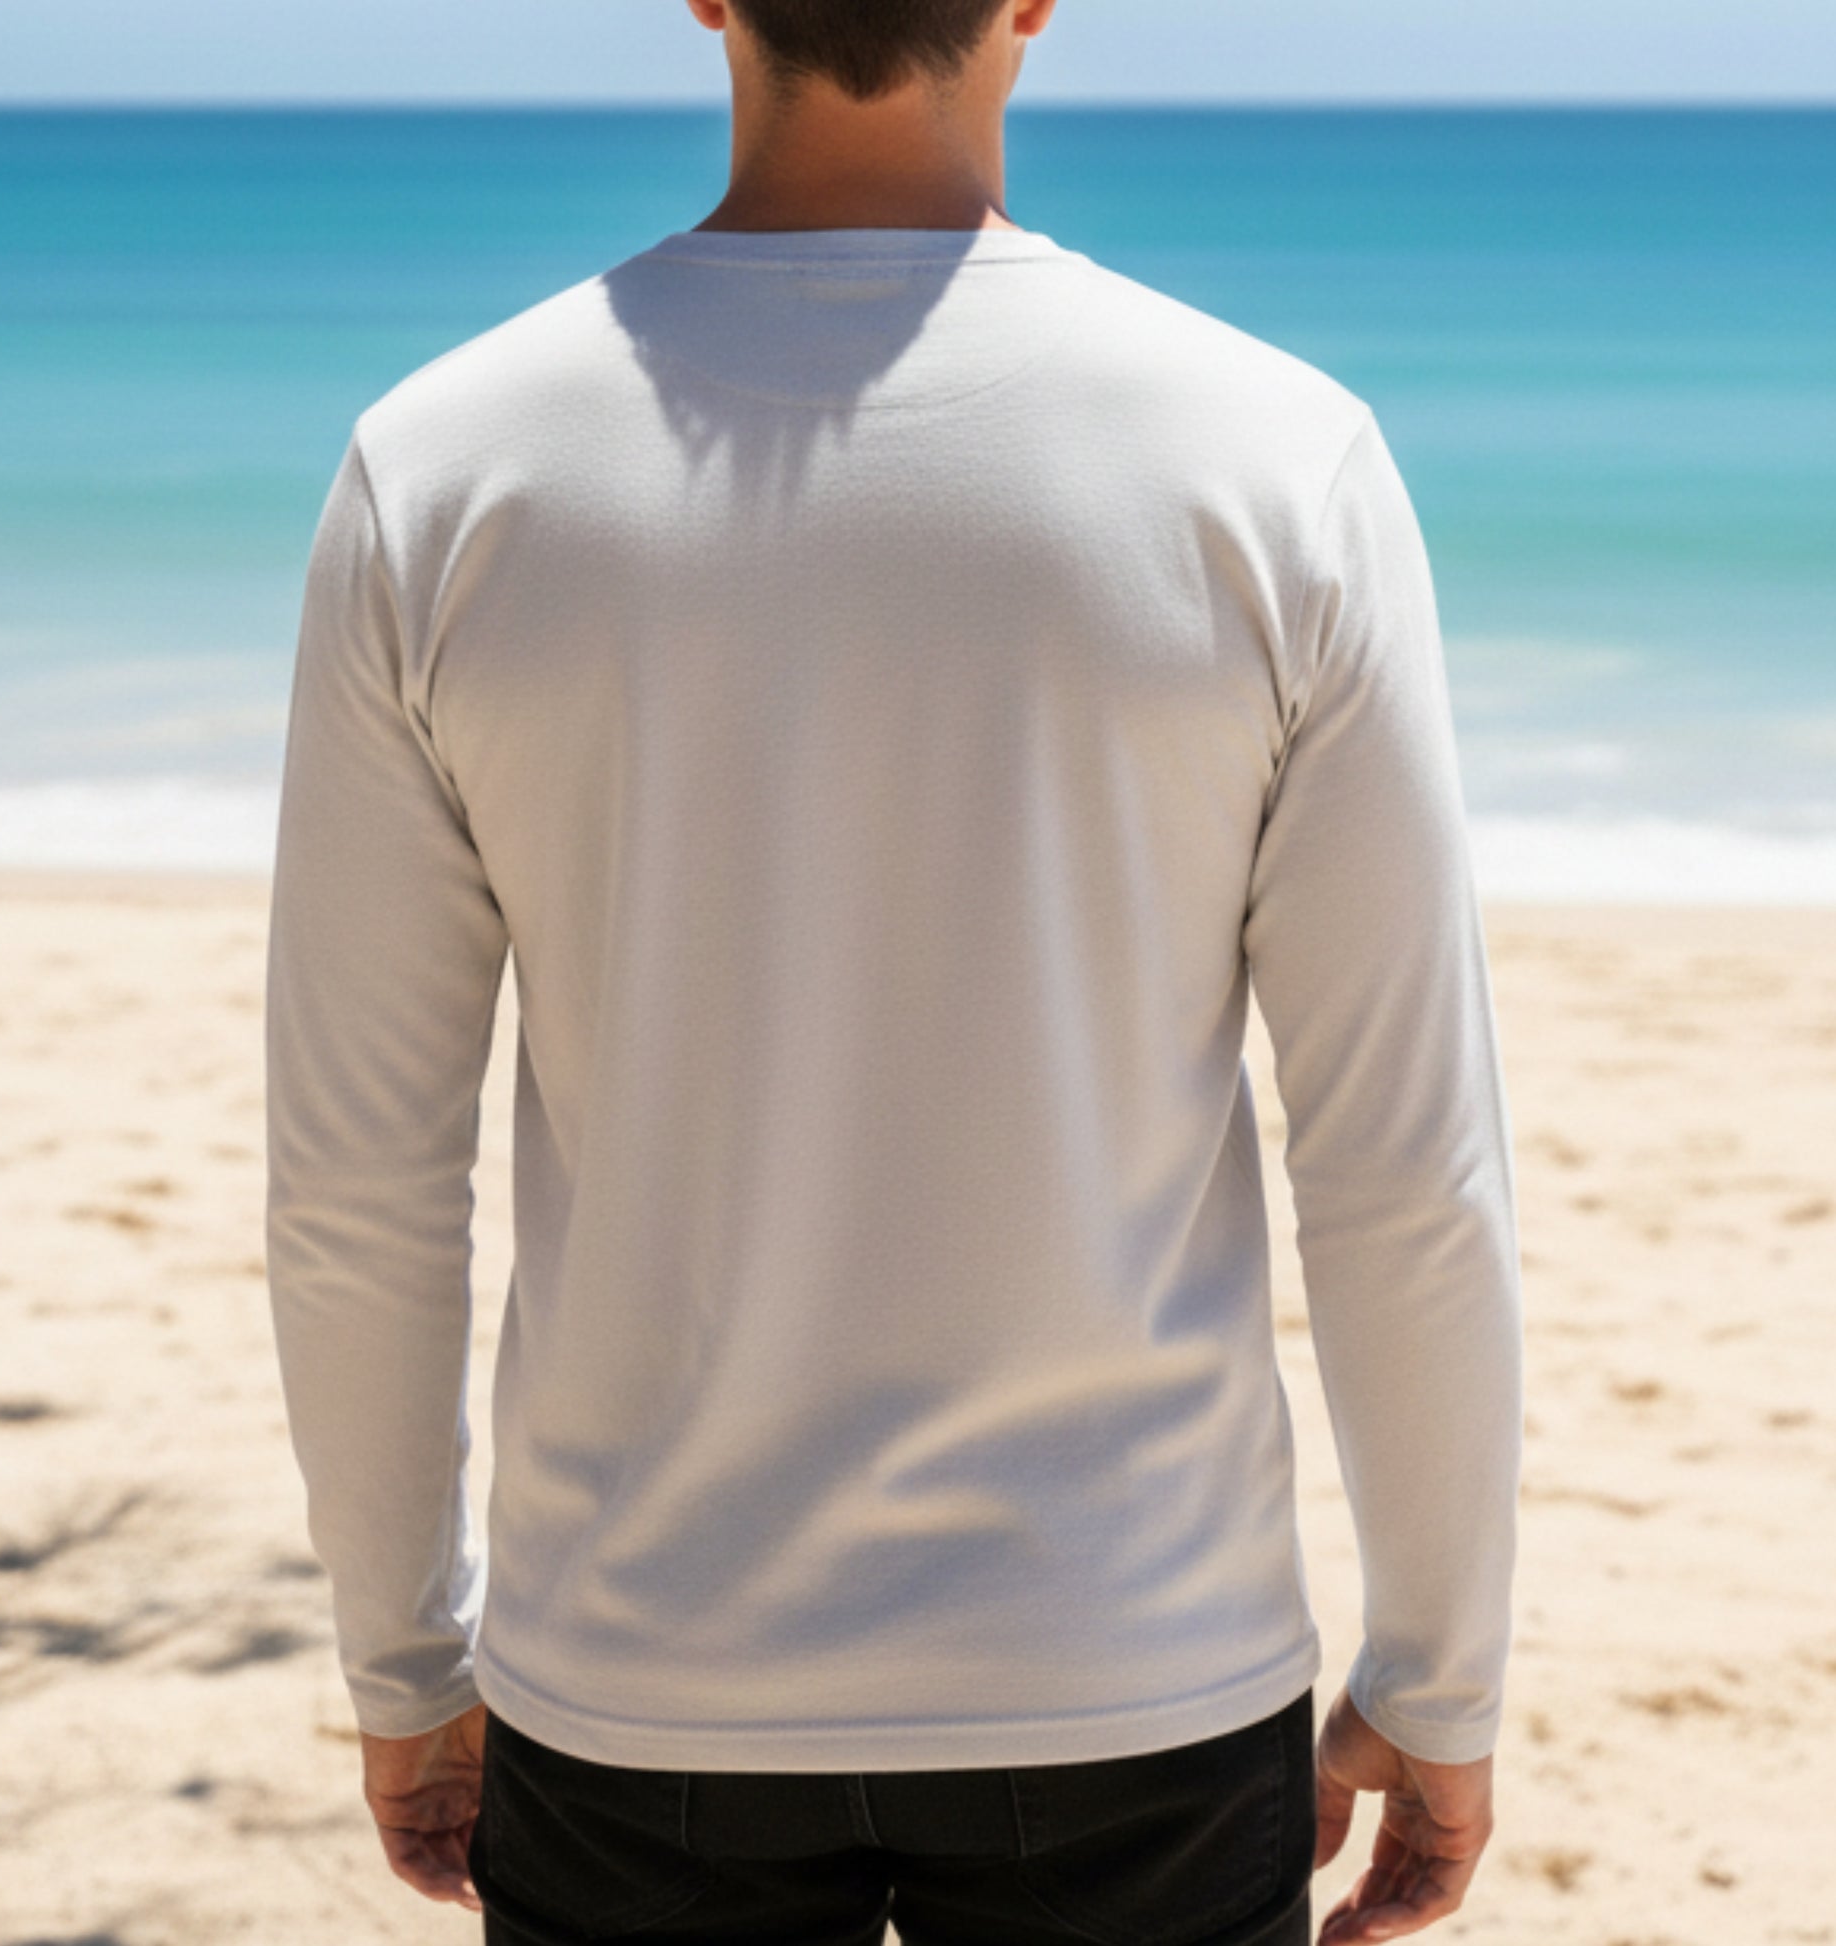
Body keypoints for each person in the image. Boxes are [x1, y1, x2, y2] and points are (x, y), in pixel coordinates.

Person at [262, 1, 1524, 1941]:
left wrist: (404, 1653)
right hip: (1135, 1667)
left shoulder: (441, 468)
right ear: (1031, 1)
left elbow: (361, 1180)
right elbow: (1401, 1167)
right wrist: (1435, 1670)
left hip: (637, 1673)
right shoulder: (1281, 463)